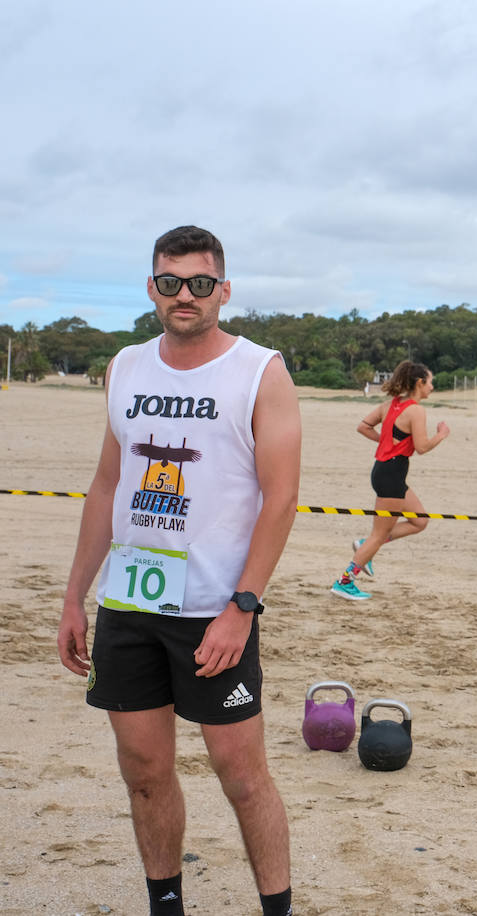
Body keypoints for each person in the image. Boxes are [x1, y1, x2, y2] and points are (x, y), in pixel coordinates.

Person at [57, 226, 301, 916]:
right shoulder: (126, 367)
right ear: (151, 289)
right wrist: (77, 596)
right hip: (128, 606)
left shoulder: (260, 371)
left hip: (214, 609)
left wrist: (241, 606)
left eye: (199, 283)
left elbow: (280, 498)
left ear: (223, 290)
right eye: (170, 282)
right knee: (143, 771)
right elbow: (108, 485)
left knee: (243, 778)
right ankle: (167, 905)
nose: (184, 295)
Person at [330, 360, 450, 600]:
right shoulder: (416, 410)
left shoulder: (390, 405)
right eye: (430, 382)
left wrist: (386, 444)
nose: (432, 387)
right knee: (378, 534)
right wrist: (441, 434)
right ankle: (344, 581)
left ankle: (367, 544)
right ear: (419, 383)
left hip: (384, 471)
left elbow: (363, 427)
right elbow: (422, 447)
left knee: (420, 520)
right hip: (392, 474)